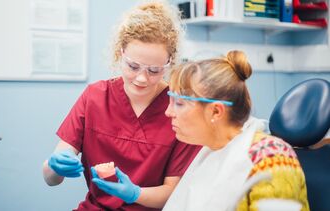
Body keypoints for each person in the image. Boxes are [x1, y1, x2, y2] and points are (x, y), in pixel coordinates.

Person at [42, 1, 200, 210]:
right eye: (133, 66)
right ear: (120, 53)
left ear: (170, 62)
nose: (142, 78)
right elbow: (51, 179)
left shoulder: (180, 107)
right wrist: (55, 166)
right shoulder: (95, 98)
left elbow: (174, 193)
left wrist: (136, 193)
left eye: (154, 70)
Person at [162, 50, 310, 211]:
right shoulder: (210, 151)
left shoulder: (271, 157)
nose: (168, 112)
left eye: (179, 103)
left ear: (216, 111)